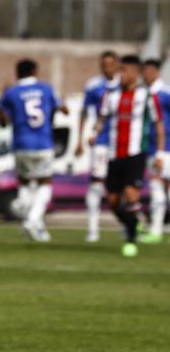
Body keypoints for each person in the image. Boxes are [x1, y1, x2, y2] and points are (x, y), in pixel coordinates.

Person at [95, 55, 164, 258]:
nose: (120, 74)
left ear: (134, 72)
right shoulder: (111, 95)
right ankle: (133, 223)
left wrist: (159, 153)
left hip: (135, 154)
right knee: (113, 201)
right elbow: (102, 119)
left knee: (132, 194)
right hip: (114, 154)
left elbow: (158, 126)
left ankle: (131, 240)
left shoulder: (147, 96)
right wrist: (94, 134)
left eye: (123, 70)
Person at [0, 59, 68, 242]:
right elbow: (65, 110)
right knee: (45, 183)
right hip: (43, 143)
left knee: (25, 184)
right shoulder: (46, 88)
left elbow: (1, 119)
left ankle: (37, 227)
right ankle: (32, 220)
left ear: (17, 72)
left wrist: (3, 102)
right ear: (35, 71)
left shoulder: (11, 92)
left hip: (21, 144)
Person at [75, 51, 119, 242]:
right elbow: (84, 112)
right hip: (101, 142)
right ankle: (93, 229)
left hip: (123, 143)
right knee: (96, 184)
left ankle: (128, 225)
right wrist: (80, 139)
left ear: (117, 65)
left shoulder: (126, 84)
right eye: (104, 64)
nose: (107, 67)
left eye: (110, 63)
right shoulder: (94, 85)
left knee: (120, 188)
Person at [139, 58, 170, 243]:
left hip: (165, 147)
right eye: (145, 71)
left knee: (159, 186)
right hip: (150, 147)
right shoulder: (144, 93)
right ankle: (156, 230)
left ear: (157, 71)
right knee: (157, 186)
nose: (147, 74)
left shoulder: (165, 92)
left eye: (150, 71)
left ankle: (157, 230)